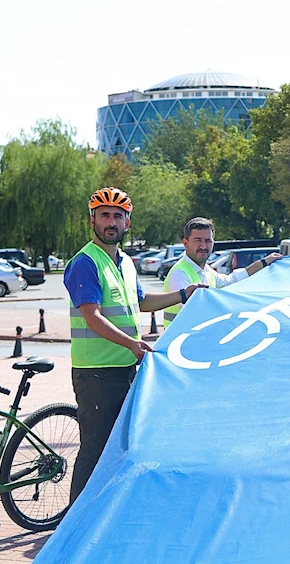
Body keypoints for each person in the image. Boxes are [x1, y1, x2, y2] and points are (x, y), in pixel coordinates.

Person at [64, 187, 207, 504]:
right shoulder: (85, 263)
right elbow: (92, 317)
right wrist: (133, 343)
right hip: (96, 373)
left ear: (127, 222)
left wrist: (185, 294)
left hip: (126, 368)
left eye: (118, 216)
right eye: (104, 216)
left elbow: (142, 302)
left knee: (120, 448)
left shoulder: (125, 262)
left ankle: (105, 510)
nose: (111, 222)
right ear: (93, 221)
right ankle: (73, 524)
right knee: (94, 450)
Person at [163, 217, 283, 325]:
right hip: (180, 346)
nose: (203, 246)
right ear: (185, 243)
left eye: (208, 241)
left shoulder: (207, 271)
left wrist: (263, 263)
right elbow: (194, 308)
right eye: (197, 240)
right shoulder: (179, 274)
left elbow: (232, 280)